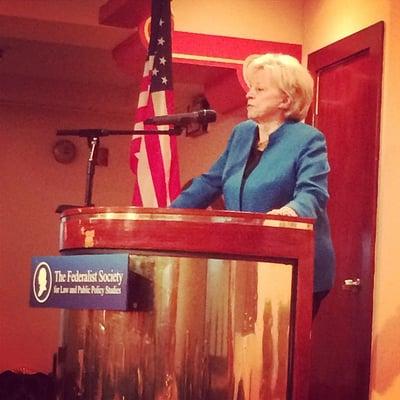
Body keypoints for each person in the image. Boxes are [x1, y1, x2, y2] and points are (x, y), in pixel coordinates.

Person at [171, 53, 335, 317]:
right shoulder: (242, 133)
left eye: (259, 89)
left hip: (295, 264)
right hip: (247, 260)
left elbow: (312, 194)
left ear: (286, 99)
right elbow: (212, 181)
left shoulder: (308, 139)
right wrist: (168, 214)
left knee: (277, 352)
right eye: (251, 88)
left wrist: (289, 212)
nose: (249, 95)